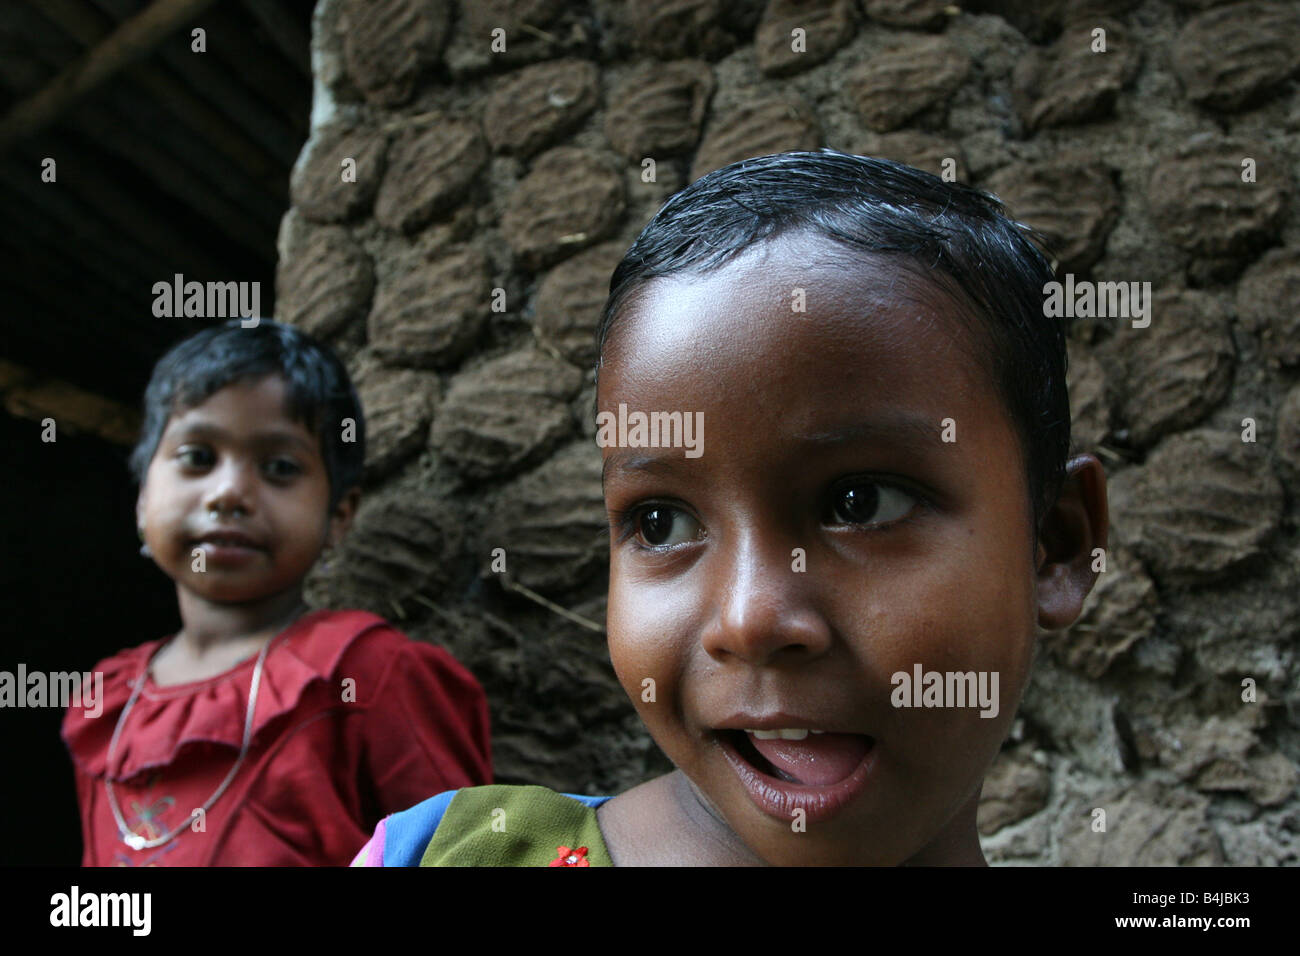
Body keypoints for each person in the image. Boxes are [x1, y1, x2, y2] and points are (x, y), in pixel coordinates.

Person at [352, 149, 1108, 866]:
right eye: (660, 523)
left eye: (860, 502)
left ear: (1056, 543)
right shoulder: (447, 853)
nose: (750, 620)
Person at [63, 319, 491, 866]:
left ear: (339, 515)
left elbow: (461, 854)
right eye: (197, 457)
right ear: (144, 496)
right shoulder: (111, 702)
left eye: (280, 467)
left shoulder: (367, 673)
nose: (229, 493)